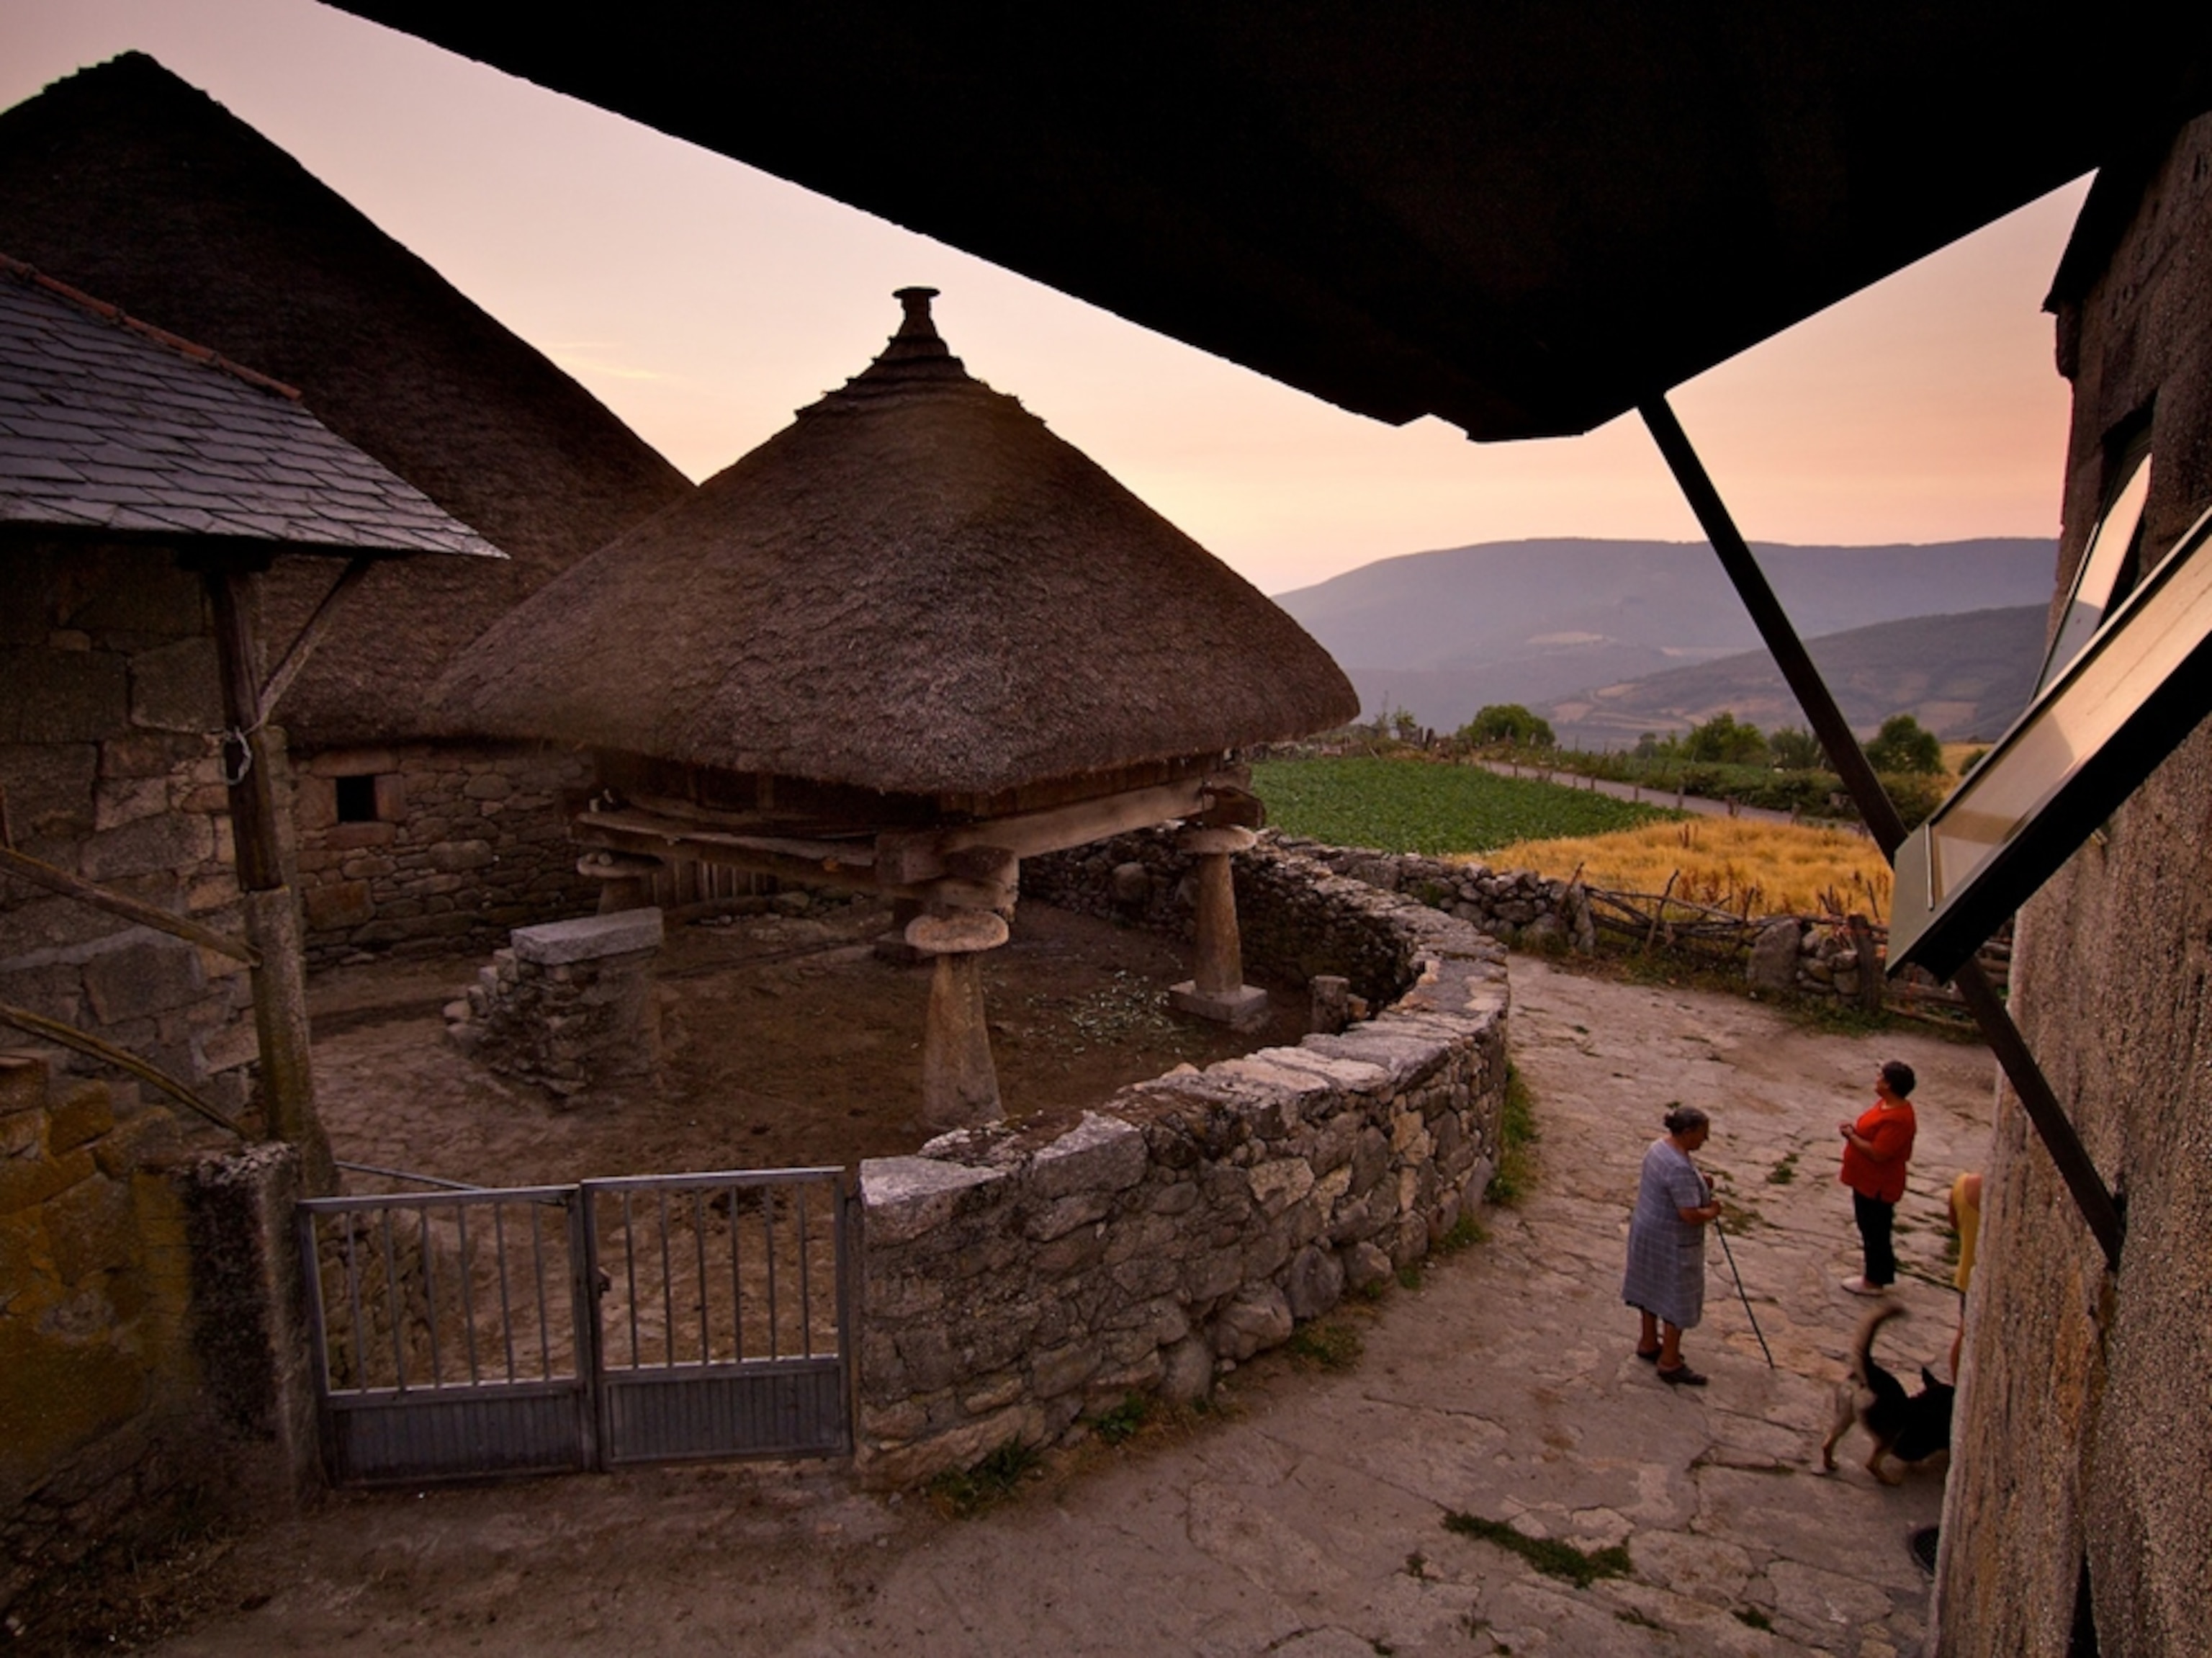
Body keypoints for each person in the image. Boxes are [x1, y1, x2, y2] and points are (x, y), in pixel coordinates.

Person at [1623, 1103, 1724, 1386]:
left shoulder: (1659, 1148)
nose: (1704, 1140)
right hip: (1672, 1241)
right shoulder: (1679, 1165)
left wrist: (1699, 1183)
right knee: (1675, 1296)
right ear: (1688, 1131)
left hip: (1647, 1230)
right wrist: (1711, 1212)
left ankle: (1647, 1341)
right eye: (1702, 1134)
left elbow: (1673, 1184)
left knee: (1650, 1285)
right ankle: (1669, 1360)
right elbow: (1689, 1214)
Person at [1838, 1059, 1918, 1294]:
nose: (1877, 1079)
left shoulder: (1899, 1119)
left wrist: (1851, 1136)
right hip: (1865, 1179)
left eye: (1881, 1077)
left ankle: (1875, 1279)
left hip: (1878, 1184)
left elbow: (1879, 1153)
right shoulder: (1885, 1106)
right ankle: (1876, 1273)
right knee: (1869, 1227)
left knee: (1876, 1230)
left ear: (1890, 1084)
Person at [1947, 1168, 1982, 1378]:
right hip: (1982, 1280)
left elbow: (1953, 1223)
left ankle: (1956, 1384)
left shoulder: (1962, 1184)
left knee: (1963, 1334)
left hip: (1965, 1275)